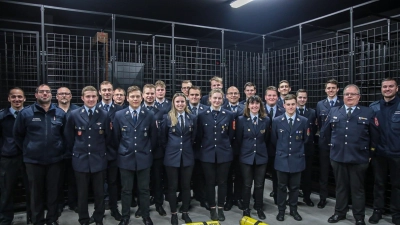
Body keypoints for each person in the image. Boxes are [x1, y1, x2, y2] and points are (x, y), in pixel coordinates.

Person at [320, 84, 379, 225]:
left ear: (358, 97)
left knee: (357, 189)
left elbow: (375, 136)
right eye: (347, 94)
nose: (349, 96)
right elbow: (325, 133)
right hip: (338, 157)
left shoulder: (367, 112)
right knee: (341, 187)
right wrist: (333, 147)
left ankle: (359, 217)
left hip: (358, 158)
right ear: (343, 96)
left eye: (353, 94)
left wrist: (370, 153)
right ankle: (340, 212)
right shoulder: (334, 111)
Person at [13, 84, 66, 225]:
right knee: (35, 194)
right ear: (36, 95)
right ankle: (37, 221)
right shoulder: (26, 113)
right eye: (41, 92)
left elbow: (65, 135)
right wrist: (29, 149)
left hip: (55, 161)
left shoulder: (59, 113)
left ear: (51, 95)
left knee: (53, 193)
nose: (44, 94)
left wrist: (59, 149)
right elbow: (17, 135)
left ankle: (52, 219)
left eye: (47, 92)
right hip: (33, 161)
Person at [64, 86, 111, 225]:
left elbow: (108, 137)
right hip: (81, 160)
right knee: (82, 194)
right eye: (88, 97)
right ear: (82, 98)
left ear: (97, 97)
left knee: (99, 193)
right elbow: (69, 137)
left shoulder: (104, 114)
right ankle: (83, 219)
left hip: (99, 159)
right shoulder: (74, 114)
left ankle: (98, 218)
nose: (91, 99)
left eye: (93, 96)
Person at [113, 86, 158, 225]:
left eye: (138, 96)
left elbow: (154, 137)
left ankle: (145, 216)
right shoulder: (119, 115)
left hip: (144, 158)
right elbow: (116, 137)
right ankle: (125, 217)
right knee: (126, 190)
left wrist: (146, 151)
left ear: (142, 97)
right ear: (127, 98)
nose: (135, 99)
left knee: (144, 190)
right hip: (125, 158)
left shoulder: (149, 114)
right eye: (132, 96)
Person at [196, 88, 234, 221]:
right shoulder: (201, 115)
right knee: (210, 182)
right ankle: (212, 208)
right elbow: (200, 135)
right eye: (215, 98)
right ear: (209, 99)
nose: (217, 100)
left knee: (223, 182)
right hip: (207, 153)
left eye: (219, 98)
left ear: (223, 100)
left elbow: (231, 135)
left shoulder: (229, 115)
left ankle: (221, 208)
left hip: (224, 153)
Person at [160, 93, 197, 225]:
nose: (180, 104)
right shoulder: (167, 118)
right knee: (172, 186)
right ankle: (174, 213)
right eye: (178, 102)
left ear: (185, 103)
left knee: (186, 186)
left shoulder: (192, 117)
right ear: (173, 104)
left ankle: (185, 211)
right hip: (171, 157)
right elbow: (163, 139)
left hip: (187, 157)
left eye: (182, 102)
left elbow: (194, 137)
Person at [271, 94, 308, 222]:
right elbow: (274, 140)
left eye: (293, 104)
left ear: (296, 105)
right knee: (281, 187)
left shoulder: (303, 121)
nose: (291, 106)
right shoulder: (277, 121)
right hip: (282, 159)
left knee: (295, 187)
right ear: (284, 105)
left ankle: (293, 210)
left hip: (297, 159)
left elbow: (305, 139)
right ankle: (281, 211)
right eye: (288, 104)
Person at [369, 78, 400, 225]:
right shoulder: (373, 107)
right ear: (381, 89)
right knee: (379, 184)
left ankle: (396, 214)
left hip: (397, 154)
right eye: (385, 87)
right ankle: (377, 211)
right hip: (379, 154)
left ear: (396, 88)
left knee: (397, 185)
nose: (387, 89)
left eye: (391, 86)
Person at [0, 87, 31, 225]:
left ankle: (32, 217)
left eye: (19, 97)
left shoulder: (30, 115)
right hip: (8, 157)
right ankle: (6, 219)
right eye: (14, 97)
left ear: (24, 98)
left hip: (27, 157)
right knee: (6, 190)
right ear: (9, 99)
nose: (17, 99)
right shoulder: (2, 116)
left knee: (31, 189)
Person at [236, 95, 270, 220]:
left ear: (260, 106)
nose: (254, 106)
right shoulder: (241, 120)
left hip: (261, 157)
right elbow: (239, 139)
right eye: (252, 103)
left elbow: (266, 139)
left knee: (260, 185)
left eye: (257, 103)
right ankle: (246, 208)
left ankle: (259, 207)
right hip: (246, 157)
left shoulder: (266, 120)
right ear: (248, 105)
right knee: (247, 184)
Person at [96, 81, 123, 222]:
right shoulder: (94, 108)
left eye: (109, 90)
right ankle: (98, 212)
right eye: (104, 90)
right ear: (100, 92)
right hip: (97, 152)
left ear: (113, 92)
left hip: (114, 151)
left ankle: (114, 208)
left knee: (113, 182)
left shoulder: (120, 110)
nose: (107, 92)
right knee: (98, 184)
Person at [316, 79, 343, 209]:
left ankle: (341, 201)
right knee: (324, 172)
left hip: (339, 144)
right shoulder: (320, 104)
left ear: (337, 89)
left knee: (340, 175)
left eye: (333, 88)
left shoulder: (342, 103)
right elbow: (320, 124)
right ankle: (322, 198)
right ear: (325, 90)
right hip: (324, 143)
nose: (331, 90)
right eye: (329, 88)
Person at [141, 84, 167, 217]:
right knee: (143, 182)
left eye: (152, 93)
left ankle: (159, 204)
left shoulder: (160, 112)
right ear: (143, 95)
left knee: (158, 180)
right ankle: (142, 206)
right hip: (141, 152)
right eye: (147, 93)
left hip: (157, 152)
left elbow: (162, 133)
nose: (150, 96)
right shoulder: (138, 110)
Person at [55, 87, 80, 215]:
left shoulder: (77, 110)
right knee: (57, 181)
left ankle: (73, 203)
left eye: (66, 94)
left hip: (73, 152)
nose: (64, 96)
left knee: (73, 180)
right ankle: (58, 205)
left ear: (71, 96)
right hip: (57, 153)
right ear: (57, 96)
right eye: (61, 94)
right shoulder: (52, 110)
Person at [223, 86, 245, 211]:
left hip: (242, 147)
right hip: (226, 147)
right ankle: (229, 199)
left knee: (239, 174)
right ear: (226, 96)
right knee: (227, 175)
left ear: (239, 95)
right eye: (230, 93)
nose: (233, 95)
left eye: (236, 93)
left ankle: (238, 198)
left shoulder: (244, 108)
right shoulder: (223, 108)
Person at [187, 86, 209, 210]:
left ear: (200, 96)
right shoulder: (182, 108)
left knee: (201, 174)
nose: (194, 97)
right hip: (187, 147)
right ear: (188, 96)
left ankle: (202, 197)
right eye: (192, 95)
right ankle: (186, 198)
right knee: (186, 176)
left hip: (202, 147)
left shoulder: (206, 109)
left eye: (197, 95)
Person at [296, 89, 317, 207]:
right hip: (295, 148)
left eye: (304, 97)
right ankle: (294, 197)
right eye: (300, 97)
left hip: (308, 148)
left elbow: (313, 130)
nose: (302, 100)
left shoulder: (312, 113)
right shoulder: (292, 111)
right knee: (295, 175)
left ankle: (307, 197)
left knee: (307, 174)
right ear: (296, 98)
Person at [264, 86, 285, 204]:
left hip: (278, 149)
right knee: (259, 179)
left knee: (277, 177)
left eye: (274, 95)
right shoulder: (258, 109)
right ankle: (258, 201)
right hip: (262, 149)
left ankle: (278, 200)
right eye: (269, 95)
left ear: (277, 97)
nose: (272, 97)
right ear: (265, 97)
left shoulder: (283, 111)